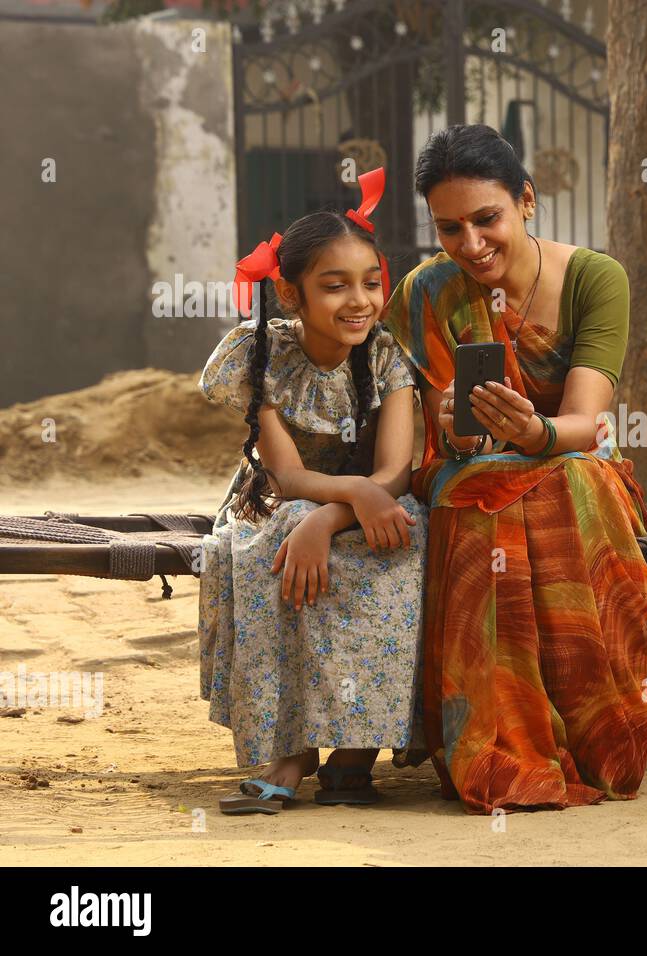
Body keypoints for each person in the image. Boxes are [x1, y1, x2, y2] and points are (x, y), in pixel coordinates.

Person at [382, 123, 647, 814]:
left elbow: (589, 423)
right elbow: (435, 443)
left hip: (573, 458)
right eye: (449, 229)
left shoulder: (595, 279)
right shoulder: (427, 293)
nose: (470, 246)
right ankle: (501, 740)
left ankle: (596, 731)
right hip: (474, 472)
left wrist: (534, 432)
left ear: (526, 201)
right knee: (483, 498)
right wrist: (457, 429)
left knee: (568, 480)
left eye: (487, 220)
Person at [198, 171, 428, 814]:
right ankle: (292, 747)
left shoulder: (387, 358)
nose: (359, 301)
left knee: (405, 545)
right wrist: (330, 508)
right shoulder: (260, 355)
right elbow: (286, 477)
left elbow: (396, 470)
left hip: (362, 500)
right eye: (335, 286)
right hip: (276, 500)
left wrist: (335, 515)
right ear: (289, 293)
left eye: (371, 282)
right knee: (274, 546)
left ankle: (356, 753)